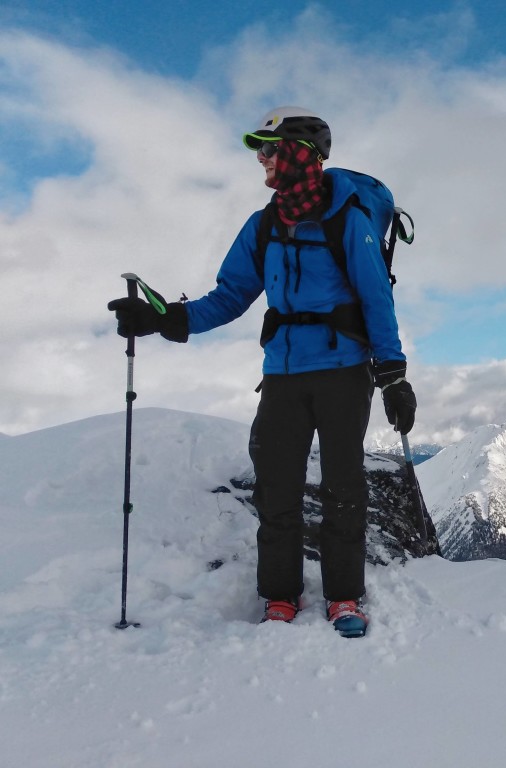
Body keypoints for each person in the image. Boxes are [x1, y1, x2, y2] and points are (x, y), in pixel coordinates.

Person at [108, 106, 416, 638]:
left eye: (269, 149)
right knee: (277, 487)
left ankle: (344, 597)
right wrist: (164, 320)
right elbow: (229, 297)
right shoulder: (263, 225)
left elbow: (376, 299)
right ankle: (280, 597)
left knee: (344, 487)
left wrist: (393, 374)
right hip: (283, 375)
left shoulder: (349, 219)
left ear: (300, 153)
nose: (262, 160)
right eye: (260, 150)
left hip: (344, 373)